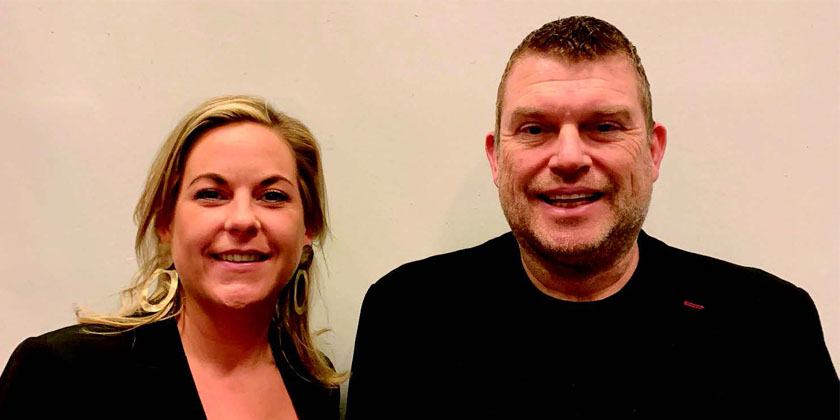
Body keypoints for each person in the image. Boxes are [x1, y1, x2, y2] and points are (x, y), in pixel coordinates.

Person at [346, 16, 838, 419]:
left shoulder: (769, 326)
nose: (568, 158)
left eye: (603, 126)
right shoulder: (409, 318)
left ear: (653, 152)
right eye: (534, 129)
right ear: (496, 159)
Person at [0, 95, 344, 419]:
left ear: (308, 227)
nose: (242, 220)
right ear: (166, 221)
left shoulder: (314, 386)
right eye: (211, 194)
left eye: (272, 196)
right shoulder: (61, 372)